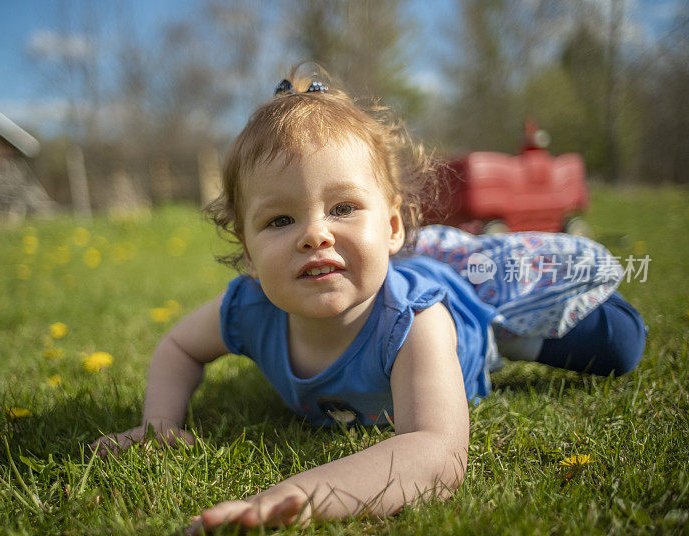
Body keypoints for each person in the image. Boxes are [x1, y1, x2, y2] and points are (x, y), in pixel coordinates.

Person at [91, 69, 647, 532]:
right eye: (280, 219)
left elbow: (436, 454)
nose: (315, 235)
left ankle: (507, 326)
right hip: (407, 268)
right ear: (248, 250)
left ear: (393, 226)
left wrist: (295, 498)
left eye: (343, 208)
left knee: (621, 343)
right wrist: (160, 425)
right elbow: (179, 348)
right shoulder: (247, 307)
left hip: (466, 299)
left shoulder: (413, 320)